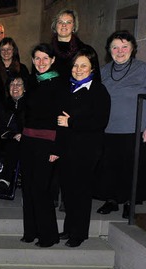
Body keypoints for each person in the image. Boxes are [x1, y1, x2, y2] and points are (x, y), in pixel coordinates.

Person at [57, 47, 110, 247]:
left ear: (92, 69)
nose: (78, 69)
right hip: (68, 149)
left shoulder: (98, 91)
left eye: (83, 66)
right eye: (75, 65)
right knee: (69, 191)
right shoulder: (69, 89)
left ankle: (79, 233)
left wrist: (71, 123)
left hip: (87, 150)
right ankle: (70, 228)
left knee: (81, 192)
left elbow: (100, 122)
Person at [20, 43, 67, 247]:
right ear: (32, 60)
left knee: (41, 189)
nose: (41, 62)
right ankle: (31, 232)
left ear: (53, 60)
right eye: (37, 58)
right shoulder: (31, 81)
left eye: (45, 58)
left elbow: (63, 119)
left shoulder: (60, 84)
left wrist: (57, 148)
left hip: (48, 143)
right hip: (28, 141)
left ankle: (48, 236)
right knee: (28, 189)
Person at [96, 30, 146, 218]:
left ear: (132, 48)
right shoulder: (103, 71)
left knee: (130, 168)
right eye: (115, 47)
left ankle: (128, 201)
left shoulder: (142, 69)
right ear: (109, 50)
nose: (120, 51)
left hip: (134, 128)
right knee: (109, 167)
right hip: (107, 129)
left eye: (124, 46)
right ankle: (112, 200)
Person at [0, 76, 26, 194]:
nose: (15, 87)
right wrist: (9, 134)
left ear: (25, 88)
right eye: (12, 84)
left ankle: (5, 180)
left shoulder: (28, 105)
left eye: (19, 84)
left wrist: (21, 134)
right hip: (3, 135)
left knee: (12, 147)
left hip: (19, 139)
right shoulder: (3, 104)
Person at [51, 9, 88, 77]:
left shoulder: (85, 50)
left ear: (74, 27)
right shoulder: (46, 51)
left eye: (68, 22)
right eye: (60, 22)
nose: (64, 25)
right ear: (55, 26)